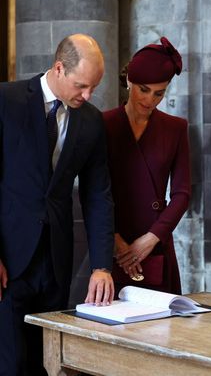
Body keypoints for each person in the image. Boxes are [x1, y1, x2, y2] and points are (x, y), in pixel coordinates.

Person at [0, 34, 115, 375]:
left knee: (46, 363)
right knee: (9, 364)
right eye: (81, 86)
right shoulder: (6, 100)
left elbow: (98, 195)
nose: (88, 95)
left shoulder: (91, 120)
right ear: (59, 68)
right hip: (7, 260)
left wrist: (102, 266)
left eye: (94, 87)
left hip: (55, 261)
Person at [103, 37, 190, 295]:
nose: (150, 100)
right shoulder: (102, 124)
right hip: (109, 242)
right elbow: (92, 189)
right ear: (129, 81)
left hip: (155, 244)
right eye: (143, 89)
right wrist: (116, 241)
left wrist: (151, 239)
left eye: (159, 93)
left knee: (160, 330)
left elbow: (182, 194)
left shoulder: (176, 128)